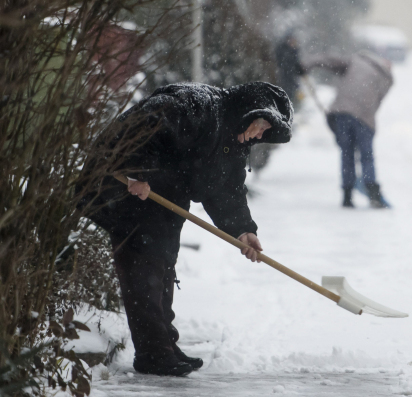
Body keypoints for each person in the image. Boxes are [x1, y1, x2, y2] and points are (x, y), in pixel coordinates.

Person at [78, 82, 293, 376]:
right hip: (124, 186)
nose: (260, 134)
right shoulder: (197, 105)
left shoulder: (233, 140)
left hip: (164, 192)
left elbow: (226, 189)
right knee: (144, 266)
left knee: (163, 260)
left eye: (266, 131)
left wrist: (243, 230)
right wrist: (136, 172)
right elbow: (142, 126)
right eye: (261, 125)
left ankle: (164, 345)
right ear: (247, 112)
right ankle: (154, 354)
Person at [304, 51, 393, 208]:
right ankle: (372, 192)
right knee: (366, 156)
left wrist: (308, 64)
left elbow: (330, 61)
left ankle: (347, 196)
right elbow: (376, 102)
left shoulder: (356, 61)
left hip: (342, 112)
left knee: (347, 154)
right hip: (364, 117)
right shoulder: (386, 78)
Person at [274, 33, 306, 110]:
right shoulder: (284, 51)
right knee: (287, 93)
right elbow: (285, 64)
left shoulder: (294, 51)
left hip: (292, 78)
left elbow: (296, 63)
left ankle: (294, 109)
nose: (294, 43)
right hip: (285, 77)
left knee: (294, 92)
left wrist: (300, 70)